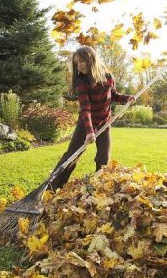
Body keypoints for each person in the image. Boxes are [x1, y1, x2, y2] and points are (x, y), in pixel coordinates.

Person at [50, 45, 135, 189]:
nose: (79, 65)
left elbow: (113, 95)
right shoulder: (82, 82)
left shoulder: (108, 77)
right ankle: (53, 186)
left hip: (104, 122)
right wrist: (89, 131)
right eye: (77, 62)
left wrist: (127, 98)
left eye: (82, 61)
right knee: (72, 155)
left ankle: (99, 187)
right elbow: (85, 108)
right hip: (86, 123)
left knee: (104, 157)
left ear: (91, 60)